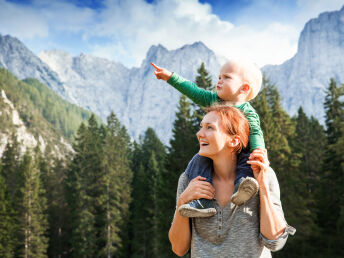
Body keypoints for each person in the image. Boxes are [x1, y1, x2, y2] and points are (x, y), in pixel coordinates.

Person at [168, 105, 295, 257]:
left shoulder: (262, 175)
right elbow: (179, 248)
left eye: (209, 128)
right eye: (201, 127)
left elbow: (274, 242)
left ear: (234, 141)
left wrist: (263, 187)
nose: (199, 134)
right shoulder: (189, 180)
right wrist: (182, 202)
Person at [152, 60, 264, 217]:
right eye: (219, 76)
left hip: (240, 151)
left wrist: (258, 151)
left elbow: (256, 133)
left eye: (226, 77)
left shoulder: (248, 112)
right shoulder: (214, 100)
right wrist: (171, 77)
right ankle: (203, 201)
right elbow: (193, 91)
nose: (219, 80)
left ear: (244, 88)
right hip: (215, 152)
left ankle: (242, 187)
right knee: (198, 162)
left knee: (247, 162)